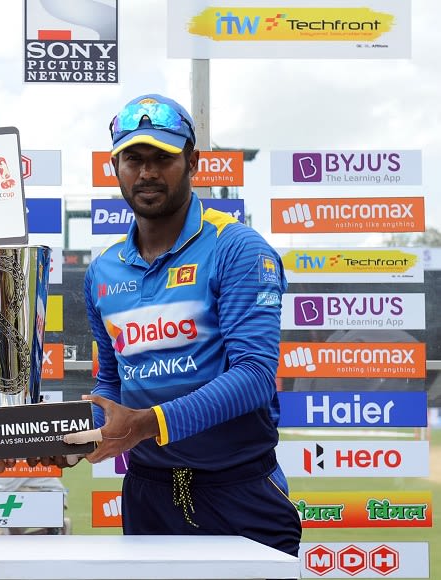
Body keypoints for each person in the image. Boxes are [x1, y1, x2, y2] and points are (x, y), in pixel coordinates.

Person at [66, 94, 301, 556]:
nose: (147, 172)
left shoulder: (237, 248)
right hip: (147, 496)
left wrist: (148, 423)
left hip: (239, 493)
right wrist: (73, 436)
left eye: (164, 157)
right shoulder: (104, 270)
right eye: (133, 158)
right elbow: (112, 382)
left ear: (192, 161)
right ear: (116, 166)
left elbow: (254, 376)